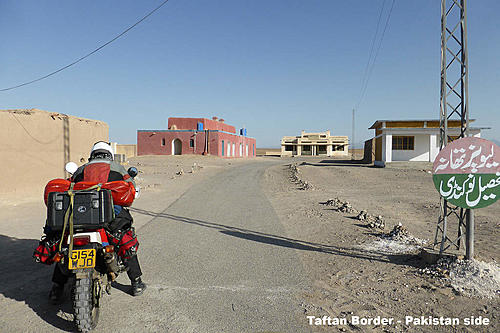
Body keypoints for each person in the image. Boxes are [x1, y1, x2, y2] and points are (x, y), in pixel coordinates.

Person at [49, 141, 146, 301]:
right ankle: (136, 282)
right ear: (109, 155)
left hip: (79, 216)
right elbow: (131, 188)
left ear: (92, 154)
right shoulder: (117, 168)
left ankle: (56, 288)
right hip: (108, 217)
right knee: (125, 239)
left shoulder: (81, 169)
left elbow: (69, 189)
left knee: (65, 245)